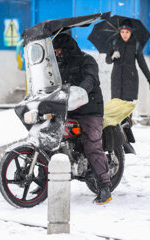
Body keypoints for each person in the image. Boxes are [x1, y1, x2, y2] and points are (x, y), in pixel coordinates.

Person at [53, 32, 112, 205]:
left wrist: (81, 91)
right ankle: (42, 181)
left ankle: (105, 187)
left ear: (66, 49)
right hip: (67, 107)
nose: (56, 54)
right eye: (54, 52)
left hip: (89, 109)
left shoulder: (87, 60)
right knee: (50, 138)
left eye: (58, 51)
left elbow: (91, 79)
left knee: (92, 145)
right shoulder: (58, 64)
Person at [106, 19, 150, 101]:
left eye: (127, 32)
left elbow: (142, 63)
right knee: (117, 106)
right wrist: (112, 57)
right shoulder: (115, 43)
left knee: (128, 106)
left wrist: (149, 78)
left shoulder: (136, 44)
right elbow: (107, 60)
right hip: (116, 79)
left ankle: (129, 114)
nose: (124, 34)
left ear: (131, 32)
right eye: (122, 32)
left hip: (131, 80)